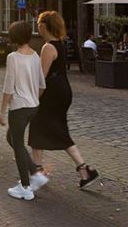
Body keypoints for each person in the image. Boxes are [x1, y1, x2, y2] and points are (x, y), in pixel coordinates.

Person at [28, 11, 99, 190]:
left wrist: (34, 100)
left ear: (44, 26)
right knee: (59, 130)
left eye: (38, 25)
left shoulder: (48, 47)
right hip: (63, 91)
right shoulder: (59, 44)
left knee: (37, 128)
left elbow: (41, 80)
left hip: (52, 93)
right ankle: (84, 170)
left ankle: (38, 174)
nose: (37, 28)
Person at [0, 21, 47, 201]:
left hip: (19, 108)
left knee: (17, 144)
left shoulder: (13, 57)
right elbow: (42, 85)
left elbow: (8, 88)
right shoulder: (35, 56)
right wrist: (33, 98)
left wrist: (2, 112)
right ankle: (36, 174)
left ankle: (26, 187)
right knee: (11, 138)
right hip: (33, 106)